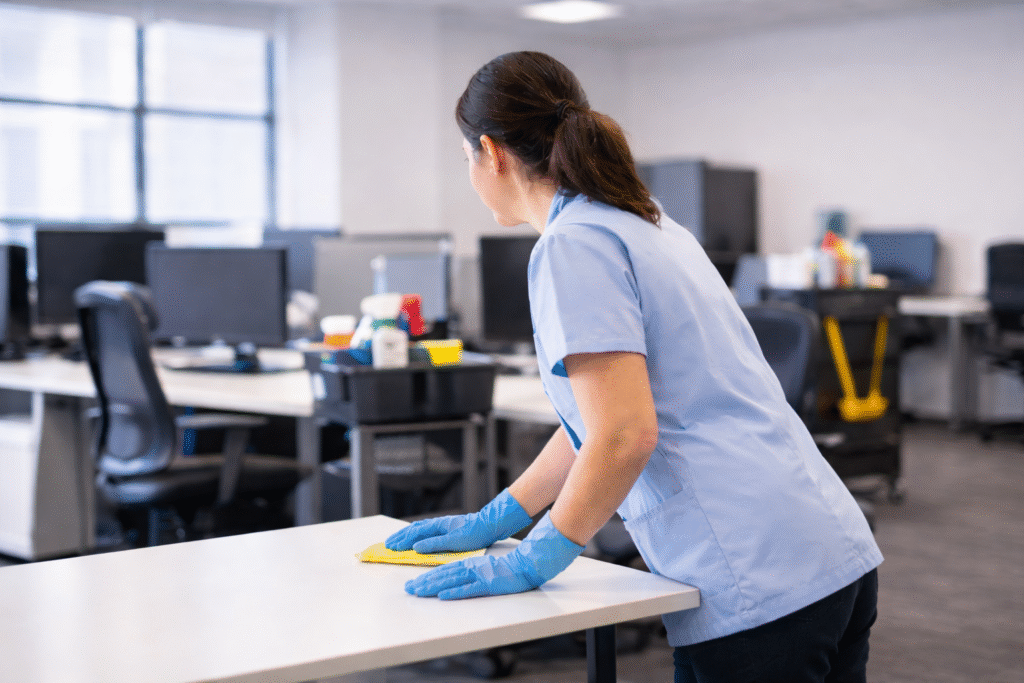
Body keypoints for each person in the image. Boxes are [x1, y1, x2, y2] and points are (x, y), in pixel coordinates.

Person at [385, 51, 882, 683]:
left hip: (753, 576)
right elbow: (601, 420)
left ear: (492, 152)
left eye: (467, 163)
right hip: (822, 547)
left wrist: (540, 555)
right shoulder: (647, 224)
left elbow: (624, 434)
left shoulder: (572, 246)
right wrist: (504, 514)